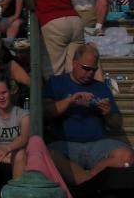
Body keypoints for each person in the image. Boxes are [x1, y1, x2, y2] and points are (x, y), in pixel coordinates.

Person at [44, 43, 134, 185]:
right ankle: (92, 184)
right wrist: (70, 101)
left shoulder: (101, 87)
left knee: (126, 155)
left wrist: (108, 114)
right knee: (47, 155)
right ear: (74, 63)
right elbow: (46, 111)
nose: (90, 73)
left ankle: (87, 182)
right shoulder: (56, 83)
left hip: (97, 146)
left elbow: (117, 124)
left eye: (94, 69)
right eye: (86, 68)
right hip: (64, 145)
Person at [2, 0, 84, 79]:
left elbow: (30, 2)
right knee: (74, 69)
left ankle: (56, 97)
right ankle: (75, 96)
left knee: (53, 68)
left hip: (53, 22)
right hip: (75, 21)